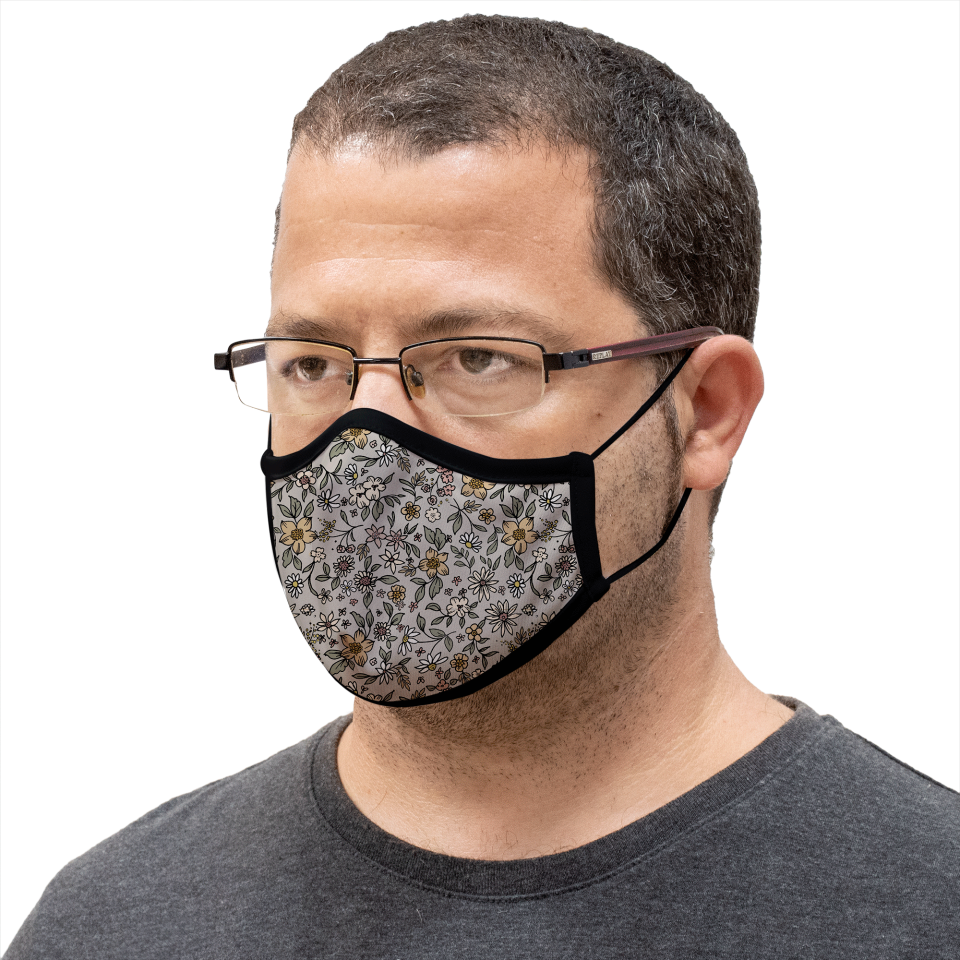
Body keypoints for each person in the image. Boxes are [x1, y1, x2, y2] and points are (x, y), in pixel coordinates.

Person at [5, 13, 957, 958]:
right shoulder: (109, 928)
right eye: (312, 362)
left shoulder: (930, 908)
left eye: (477, 358)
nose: (365, 448)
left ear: (705, 411)